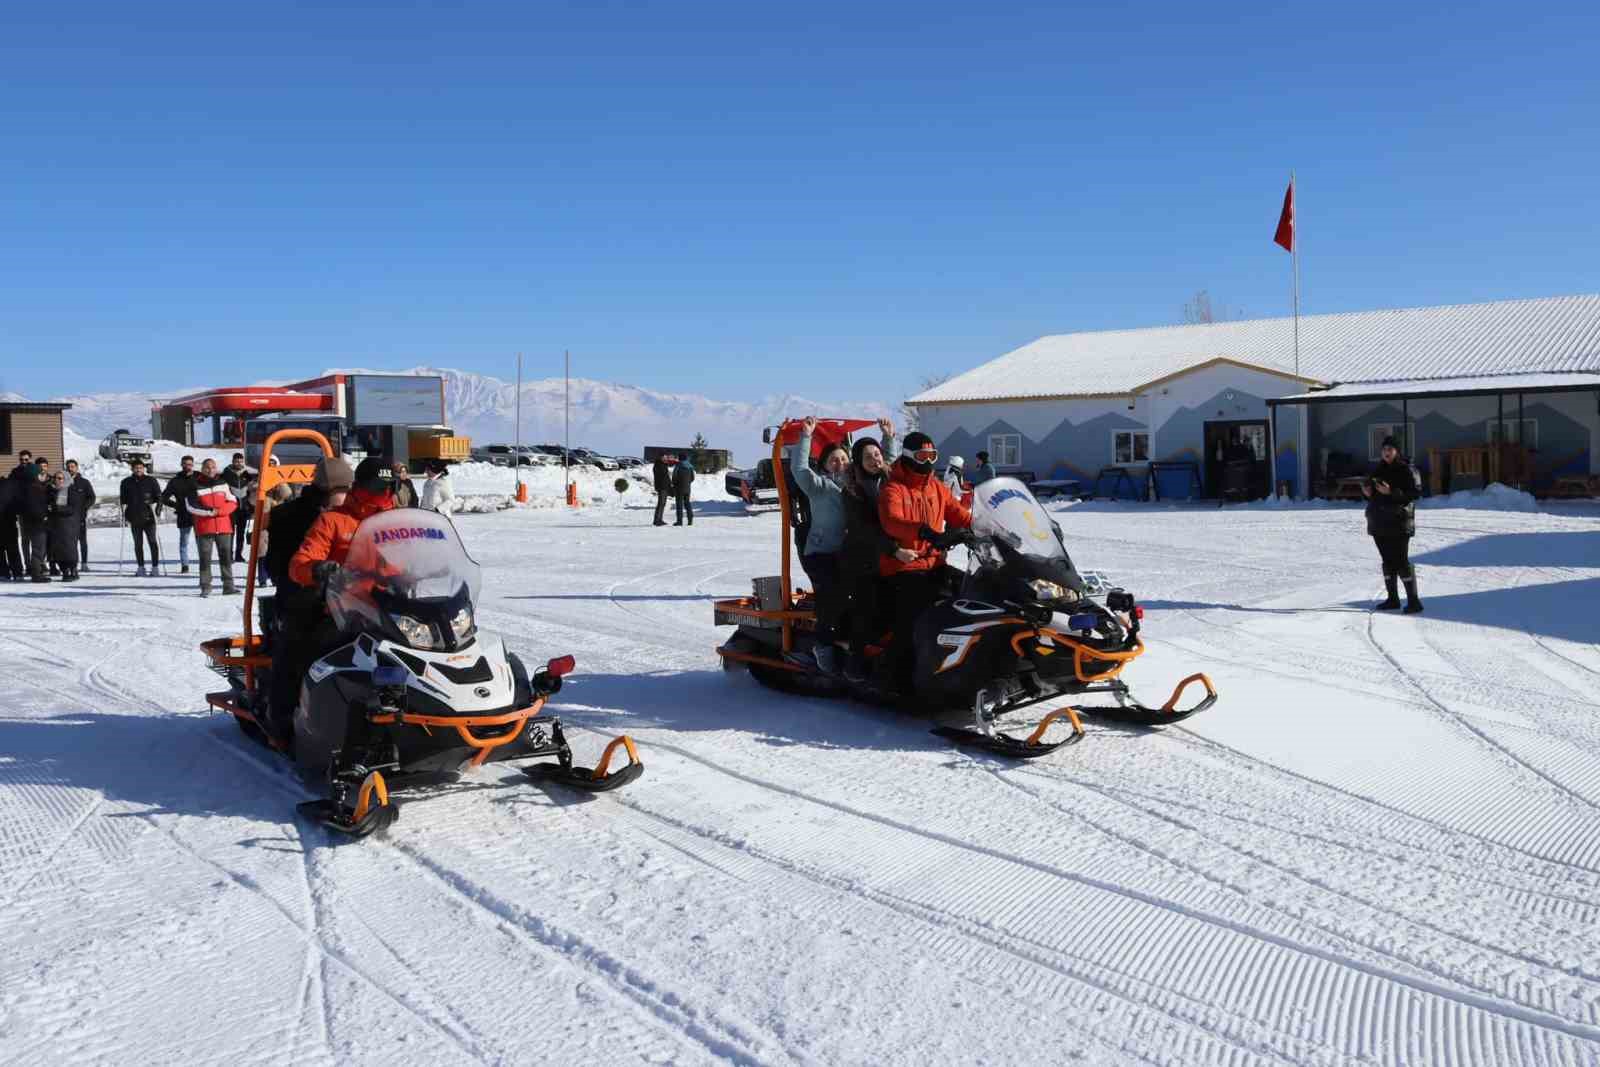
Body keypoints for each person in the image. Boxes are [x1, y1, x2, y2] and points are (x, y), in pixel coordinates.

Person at [264, 456, 354, 739]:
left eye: (348, 490)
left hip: (346, 599)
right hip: (304, 598)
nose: (345, 496)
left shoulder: (353, 515)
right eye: (341, 490)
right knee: (298, 650)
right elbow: (279, 569)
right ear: (325, 489)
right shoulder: (288, 516)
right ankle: (281, 722)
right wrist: (314, 578)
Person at [878, 431, 973, 692]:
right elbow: (891, 520)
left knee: (975, 594)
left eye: (933, 455)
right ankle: (894, 677)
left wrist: (985, 527)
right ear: (909, 456)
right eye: (923, 456)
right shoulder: (893, 488)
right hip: (902, 567)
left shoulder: (936, 487)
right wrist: (923, 531)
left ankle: (967, 663)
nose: (929, 461)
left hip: (934, 564)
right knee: (917, 614)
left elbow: (959, 514)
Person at [837, 418, 907, 681]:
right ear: (858, 462)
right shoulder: (852, 490)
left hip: (891, 555)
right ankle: (854, 660)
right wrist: (892, 548)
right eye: (868, 457)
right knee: (867, 608)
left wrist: (888, 436)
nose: (875, 460)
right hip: (862, 558)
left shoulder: (891, 478)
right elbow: (863, 529)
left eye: (877, 454)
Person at [788, 417, 857, 672]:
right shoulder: (820, 487)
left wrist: (889, 440)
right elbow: (800, 470)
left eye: (843, 458)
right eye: (833, 460)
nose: (840, 463)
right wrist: (806, 436)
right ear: (826, 465)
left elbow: (884, 469)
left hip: (848, 553)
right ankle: (824, 644)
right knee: (833, 594)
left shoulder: (856, 487)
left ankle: (852, 640)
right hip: (821, 553)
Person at [1363, 435, 1423, 614]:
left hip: (1399, 522)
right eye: (1384, 450)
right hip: (1379, 522)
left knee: (1401, 561)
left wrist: (1392, 492)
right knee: (1387, 561)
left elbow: (1415, 493)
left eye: (1390, 449)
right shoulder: (1378, 469)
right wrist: (1368, 492)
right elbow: (1374, 494)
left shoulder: (1407, 470)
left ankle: (1414, 601)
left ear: (1397, 451)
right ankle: (1392, 599)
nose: (1386, 453)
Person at [186, 458, 239, 597]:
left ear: (216, 468)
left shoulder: (223, 483)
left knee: (226, 558)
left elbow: (233, 501)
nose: (210, 470)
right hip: (204, 528)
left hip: (224, 527)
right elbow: (191, 506)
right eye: (207, 467)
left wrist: (220, 512)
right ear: (202, 469)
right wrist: (210, 512)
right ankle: (205, 587)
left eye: (213, 467)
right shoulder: (195, 484)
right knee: (205, 558)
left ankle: (228, 586)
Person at [119, 459, 163, 576]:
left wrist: (158, 509)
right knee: (138, 544)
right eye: (136, 468)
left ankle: (155, 567)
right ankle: (141, 567)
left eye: (140, 467)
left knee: (152, 542)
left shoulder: (151, 480)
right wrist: (125, 513)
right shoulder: (126, 482)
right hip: (134, 518)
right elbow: (123, 500)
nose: (138, 470)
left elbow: (159, 496)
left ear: (144, 468)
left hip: (149, 517)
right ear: (132, 469)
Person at [161, 455, 199, 574]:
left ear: (193, 465)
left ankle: (203, 563)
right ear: (181, 465)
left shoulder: (199, 477)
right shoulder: (175, 480)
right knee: (184, 541)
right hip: (183, 514)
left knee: (202, 542)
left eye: (189, 464)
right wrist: (176, 505)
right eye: (185, 464)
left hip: (199, 513)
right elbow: (164, 497)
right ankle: (185, 565)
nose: (187, 466)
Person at [18, 464, 51, 582]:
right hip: (37, 523)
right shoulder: (35, 488)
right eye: (39, 473)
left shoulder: (23, 488)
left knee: (37, 548)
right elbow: (37, 507)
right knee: (38, 549)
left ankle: (36, 571)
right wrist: (44, 516)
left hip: (28, 522)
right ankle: (36, 574)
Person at [255, 483, 293, 586]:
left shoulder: (281, 496)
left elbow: (288, 493)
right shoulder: (265, 498)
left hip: (277, 529)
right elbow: (264, 515)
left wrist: (280, 483)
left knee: (275, 556)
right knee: (263, 556)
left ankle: (273, 578)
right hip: (265, 531)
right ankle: (263, 579)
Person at [46, 470, 81, 581]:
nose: (58, 480)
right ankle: (64, 570)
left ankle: (73, 569)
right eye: (56, 478)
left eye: (60, 478)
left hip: (69, 524)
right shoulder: (51, 490)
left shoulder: (71, 490)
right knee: (58, 549)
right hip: (55, 524)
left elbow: (73, 508)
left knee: (69, 548)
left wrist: (57, 508)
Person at [221, 453, 256, 562]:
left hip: (244, 509)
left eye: (241, 461)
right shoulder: (226, 474)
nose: (239, 463)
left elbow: (251, 491)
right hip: (231, 508)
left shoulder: (247, 474)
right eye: (237, 461)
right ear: (233, 461)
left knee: (241, 533)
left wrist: (250, 506)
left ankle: (238, 555)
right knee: (230, 533)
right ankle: (229, 555)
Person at [65, 459, 95, 572]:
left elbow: (91, 497)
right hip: (66, 518)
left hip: (80, 517)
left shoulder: (84, 482)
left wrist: (84, 507)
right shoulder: (63, 481)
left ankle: (84, 563)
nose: (70, 468)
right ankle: (72, 564)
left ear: (77, 468)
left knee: (82, 541)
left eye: (72, 466)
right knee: (69, 542)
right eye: (68, 466)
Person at [0, 469, 21, 580]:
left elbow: (17, 501)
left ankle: (17, 572)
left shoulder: (9, 484)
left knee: (12, 548)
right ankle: (3, 572)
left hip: (9, 521)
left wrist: (14, 512)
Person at [672, 454, 695, 526]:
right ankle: (690, 520)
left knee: (679, 504)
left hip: (679, 488)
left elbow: (674, 477)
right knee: (687, 503)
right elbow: (692, 478)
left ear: (680, 459)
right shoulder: (690, 466)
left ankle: (679, 521)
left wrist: (675, 484)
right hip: (687, 488)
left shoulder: (678, 466)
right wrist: (687, 483)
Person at [651, 454, 673, 526]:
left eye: (666, 457)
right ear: (661, 458)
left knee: (662, 504)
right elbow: (663, 476)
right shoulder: (659, 465)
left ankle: (659, 519)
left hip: (664, 486)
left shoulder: (662, 464)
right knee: (661, 503)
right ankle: (657, 520)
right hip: (662, 487)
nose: (666, 458)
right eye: (665, 457)